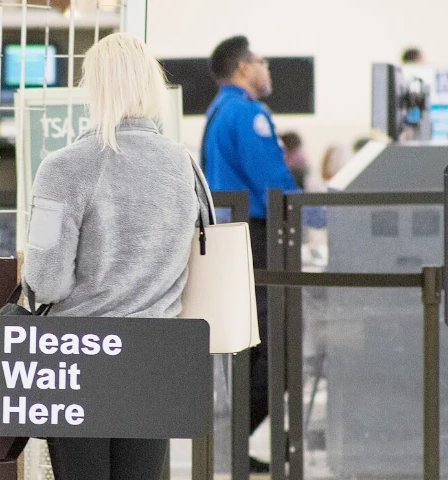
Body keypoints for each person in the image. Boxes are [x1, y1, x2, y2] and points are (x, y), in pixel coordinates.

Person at [22, 32, 209, 480]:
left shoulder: (64, 167)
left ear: (95, 87)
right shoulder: (182, 164)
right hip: (155, 355)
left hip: (81, 358)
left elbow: (46, 281)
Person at [201, 35, 299, 473]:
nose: (267, 68)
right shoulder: (248, 114)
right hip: (259, 237)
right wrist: (318, 220)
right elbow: (274, 183)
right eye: (262, 61)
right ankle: (232, 438)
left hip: (232, 236)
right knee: (276, 349)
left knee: (253, 346)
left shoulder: (218, 111)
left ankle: (233, 440)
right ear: (243, 67)